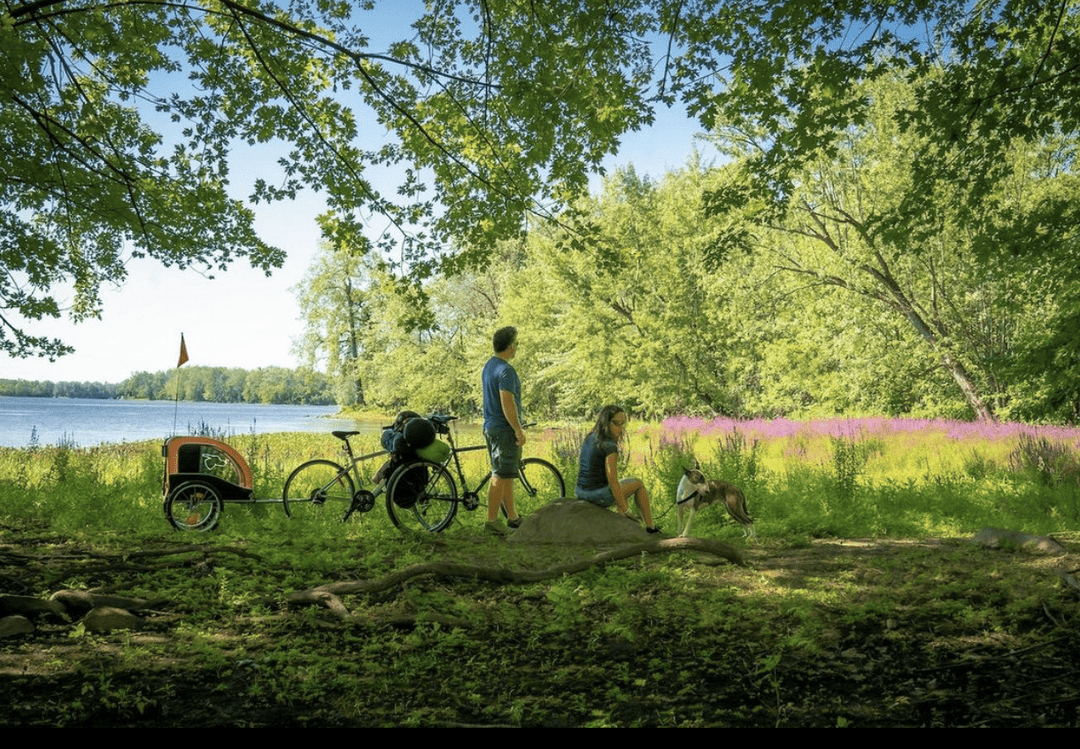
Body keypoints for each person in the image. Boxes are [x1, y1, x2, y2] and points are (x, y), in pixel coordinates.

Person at [576, 405, 660, 534]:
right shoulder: (609, 446)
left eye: (622, 424)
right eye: (616, 423)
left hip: (580, 491)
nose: (620, 429)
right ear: (606, 422)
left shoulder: (590, 436)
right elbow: (612, 480)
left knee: (622, 488)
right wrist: (626, 509)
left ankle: (625, 523)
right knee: (638, 484)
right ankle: (650, 527)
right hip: (595, 495)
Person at [482, 326, 524, 534]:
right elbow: (508, 402)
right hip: (503, 429)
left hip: (490, 427)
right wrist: (518, 429)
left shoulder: (489, 366)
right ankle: (491, 522)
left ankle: (513, 517)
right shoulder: (506, 370)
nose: (517, 348)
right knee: (499, 474)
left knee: (507, 474)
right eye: (516, 344)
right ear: (510, 346)